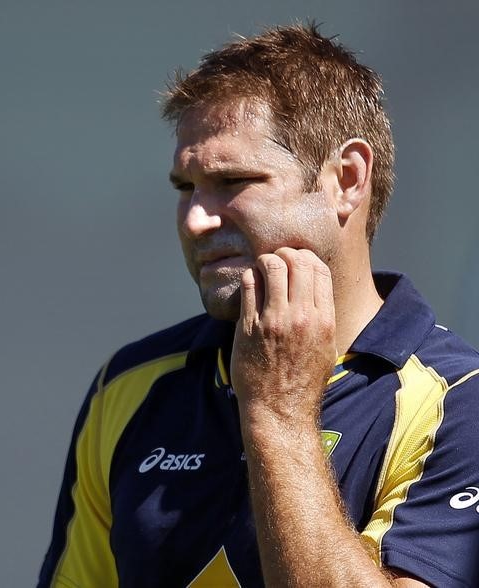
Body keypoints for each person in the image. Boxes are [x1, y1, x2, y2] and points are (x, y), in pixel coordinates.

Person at [38, 23, 479, 588]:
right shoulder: (128, 385)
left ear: (347, 178)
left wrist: (278, 412)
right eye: (184, 187)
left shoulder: (461, 405)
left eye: (233, 181)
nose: (196, 218)